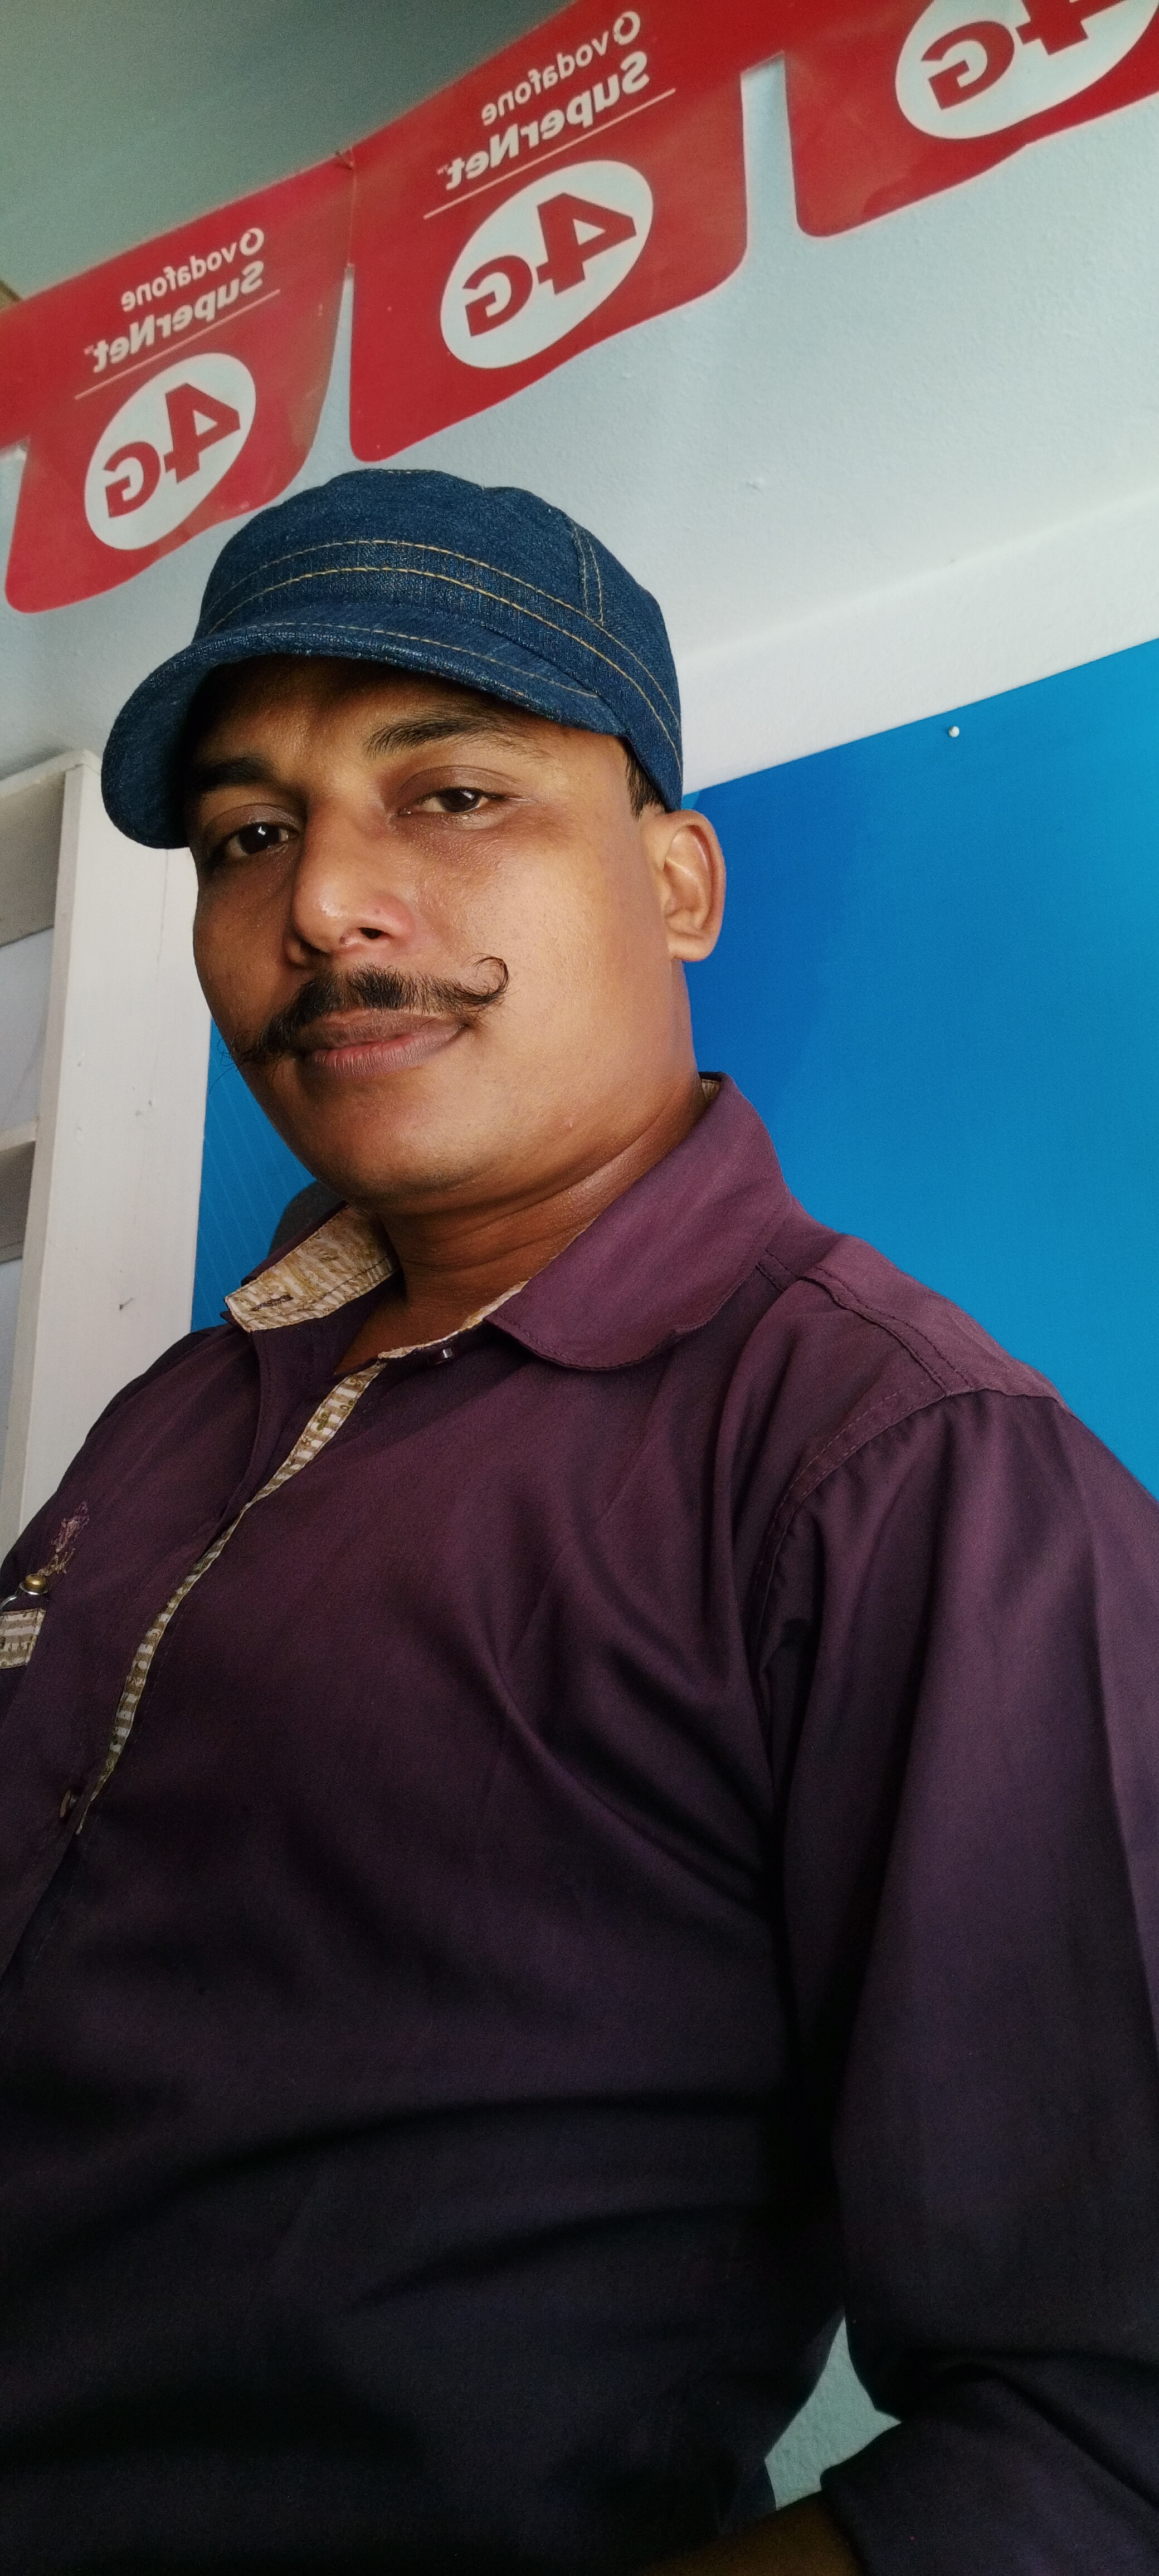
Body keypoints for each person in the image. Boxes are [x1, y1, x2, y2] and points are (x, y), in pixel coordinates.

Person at [0, 467, 1156, 2576]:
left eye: (451, 796)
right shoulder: (180, 1413)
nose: (325, 905)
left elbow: (1106, 2433)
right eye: (249, 836)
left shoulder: (896, 1466)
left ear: (680, 880)